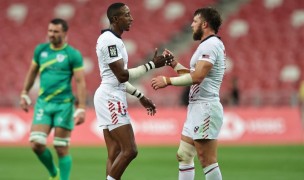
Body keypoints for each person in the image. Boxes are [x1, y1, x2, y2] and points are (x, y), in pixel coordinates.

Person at [94, 3, 173, 180]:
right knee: (130, 150)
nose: (132, 18)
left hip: (110, 94)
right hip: (110, 97)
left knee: (114, 153)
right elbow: (121, 76)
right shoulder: (110, 41)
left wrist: (141, 96)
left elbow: (116, 79)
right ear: (115, 19)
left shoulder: (113, 40)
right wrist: (152, 65)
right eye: (127, 15)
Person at [151, 7, 225, 180]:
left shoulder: (211, 45)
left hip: (206, 107)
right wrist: (174, 64)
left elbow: (197, 77)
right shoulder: (206, 45)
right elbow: (192, 75)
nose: (191, 25)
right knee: (184, 154)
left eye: (195, 21)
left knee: (207, 159)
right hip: (197, 108)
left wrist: (167, 81)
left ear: (205, 24)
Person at [19, 18, 86, 180]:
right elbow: (32, 72)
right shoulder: (40, 51)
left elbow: (80, 82)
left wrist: (82, 108)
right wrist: (24, 92)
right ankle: (54, 174)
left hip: (64, 105)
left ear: (64, 33)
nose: (51, 34)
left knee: (61, 148)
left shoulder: (72, 54)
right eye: (50, 31)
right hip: (44, 103)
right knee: (36, 144)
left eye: (56, 31)